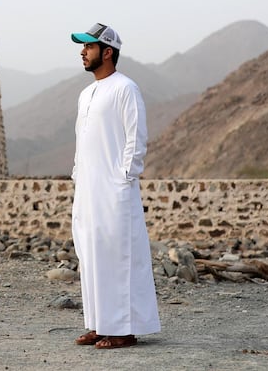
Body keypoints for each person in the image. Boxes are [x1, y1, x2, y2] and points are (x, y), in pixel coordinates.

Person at [69, 23, 161, 349]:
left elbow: (136, 139)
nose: (82, 51)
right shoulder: (86, 94)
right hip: (88, 190)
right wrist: (78, 177)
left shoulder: (125, 88)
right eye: (83, 47)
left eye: (89, 47)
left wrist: (124, 179)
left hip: (114, 190)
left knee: (118, 257)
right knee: (92, 255)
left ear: (107, 52)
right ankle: (99, 323)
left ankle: (123, 329)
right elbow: (83, 143)